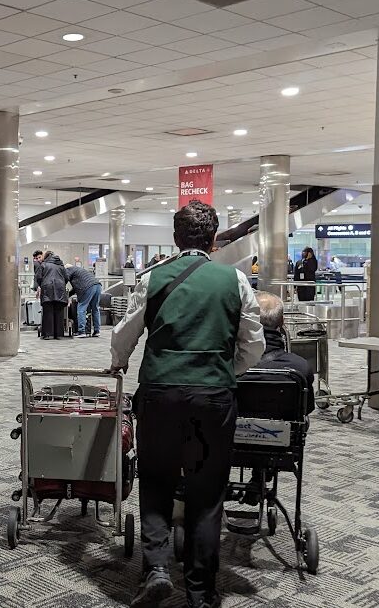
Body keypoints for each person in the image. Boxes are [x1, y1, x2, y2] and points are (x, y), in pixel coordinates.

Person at [110, 202, 264, 608]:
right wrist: (221, 370)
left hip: (160, 393)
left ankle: (158, 568)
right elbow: (253, 346)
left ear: (176, 240)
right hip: (213, 397)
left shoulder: (153, 278)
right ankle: (201, 591)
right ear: (214, 240)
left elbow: (126, 332)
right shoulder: (235, 280)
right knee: (207, 492)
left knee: (157, 480)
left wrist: (119, 361)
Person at [33, 249, 68, 340]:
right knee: (59, 311)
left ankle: (48, 334)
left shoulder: (44, 265)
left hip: (47, 289)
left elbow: (39, 277)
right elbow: (66, 277)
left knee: (48, 311)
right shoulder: (61, 266)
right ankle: (59, 334)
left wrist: (42, 285)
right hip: (60, 289)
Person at [66, 264, 102, 338]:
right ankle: (97, 331)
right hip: (97, 285)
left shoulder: (69, 270)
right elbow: (75, 288)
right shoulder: (79, 270)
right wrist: (68, 295)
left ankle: (82, 331)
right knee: (95, 309)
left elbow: (64, 280)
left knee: (81, 308)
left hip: (88, 287)